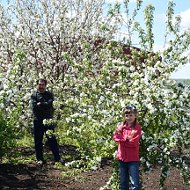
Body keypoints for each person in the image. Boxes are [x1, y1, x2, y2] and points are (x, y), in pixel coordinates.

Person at [30, 79, 60, 165]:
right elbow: (34, 107)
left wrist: (41, 104)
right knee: (38, 141)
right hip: (38, 120)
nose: (41, 86)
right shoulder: (34, 95)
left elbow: (50, 105)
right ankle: (39, 159)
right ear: (37, 85)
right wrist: (44, 104)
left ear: (45, 86)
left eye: (43, 85)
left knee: (52, 140)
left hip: (48, 121)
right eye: (39, 84)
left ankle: (57, 159)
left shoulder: (49, 94)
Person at [113, 105, 142, 190]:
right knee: (123, 183)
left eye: (131, 115)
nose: (129, 118)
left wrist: (121, 141)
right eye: (127, 115)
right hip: (122, 158)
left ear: (135, 115)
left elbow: (133, 143)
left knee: (134, 184)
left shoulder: (137, 128)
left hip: (132, 159)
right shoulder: (121, 127)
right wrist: (126, 139)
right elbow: (115, 137)